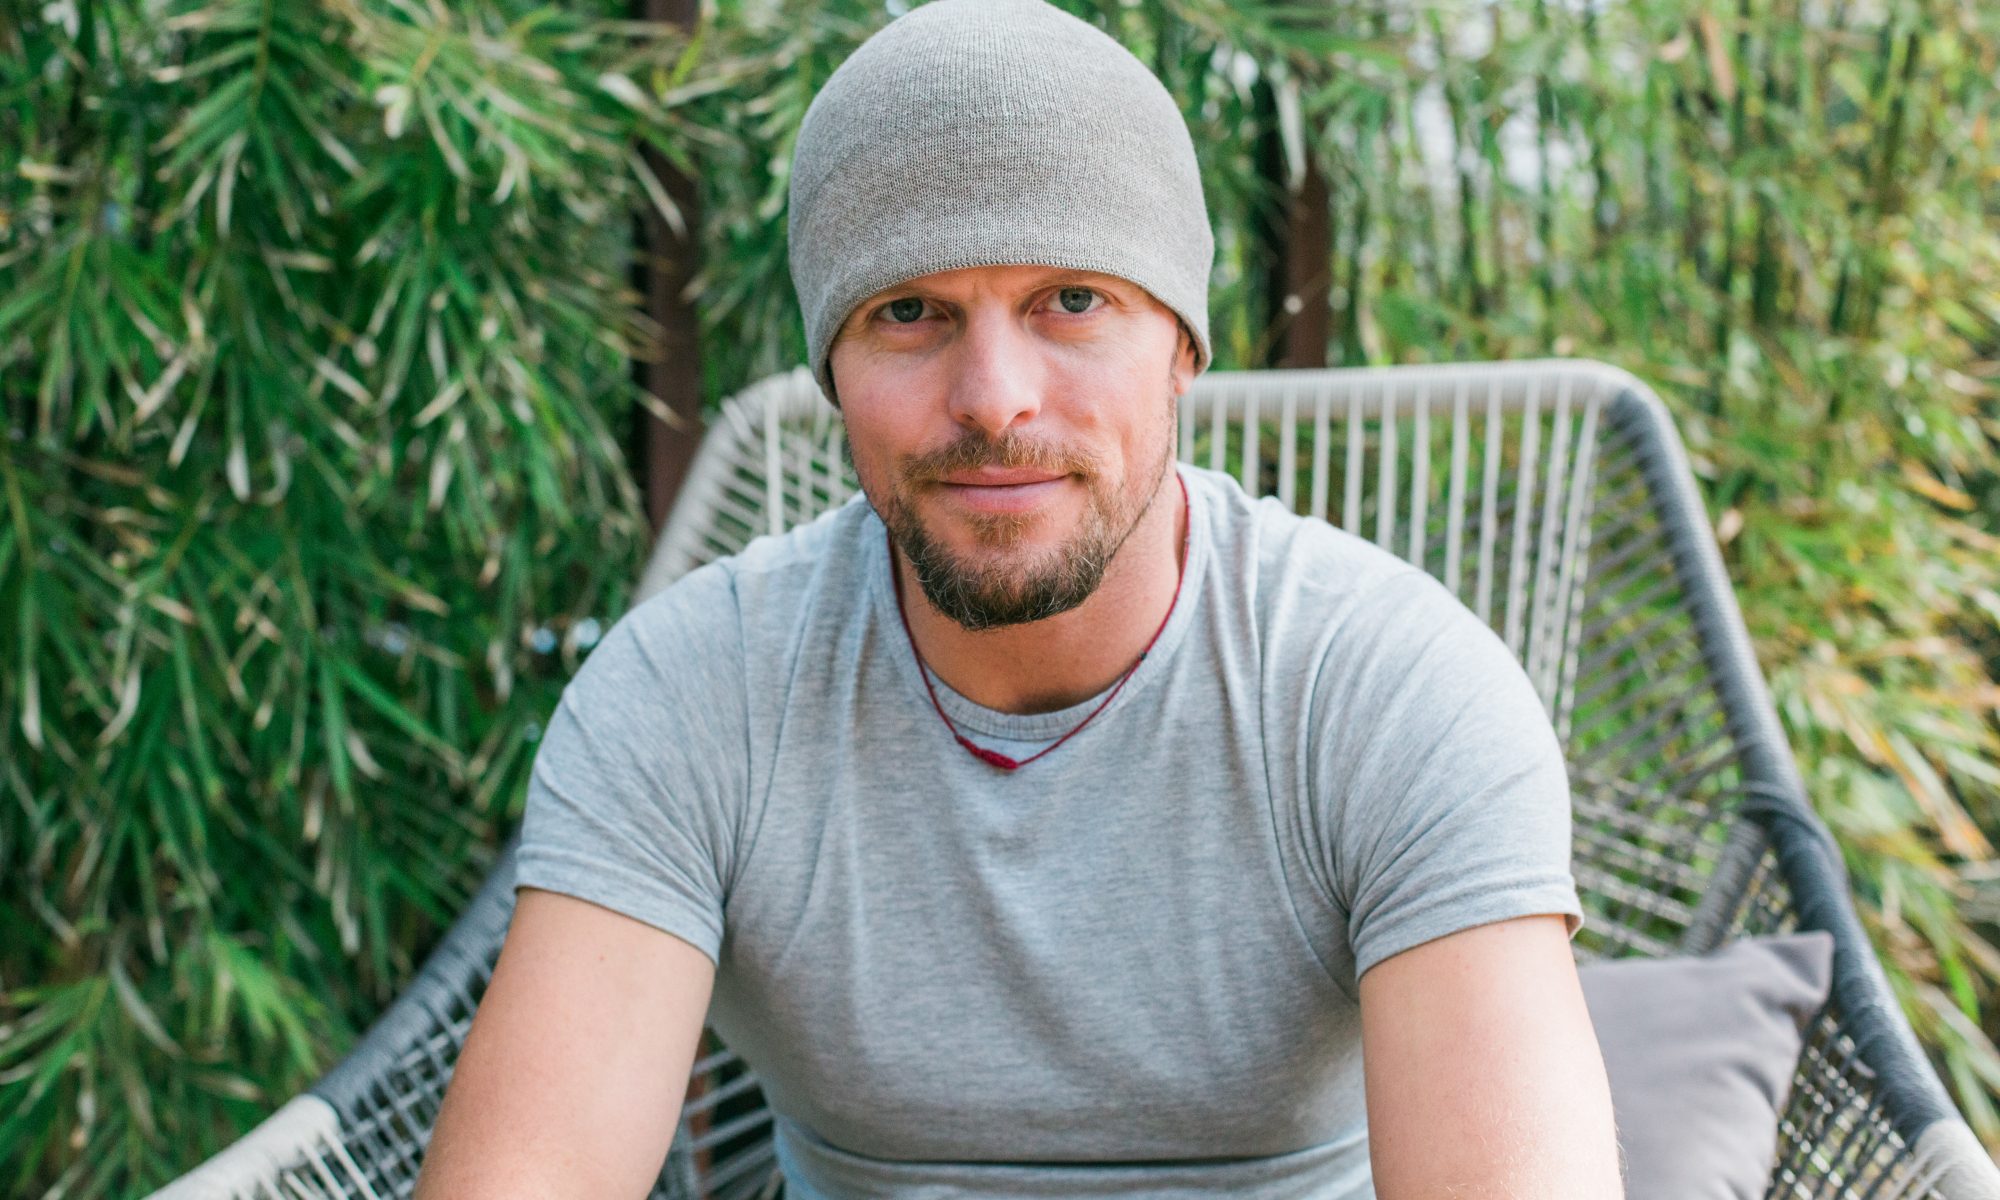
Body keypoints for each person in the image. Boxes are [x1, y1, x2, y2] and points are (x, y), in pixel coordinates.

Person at [414, 1, 1623, 1196]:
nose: (993, 399)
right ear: (829, 367)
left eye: (1073, 300)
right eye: (907, 312)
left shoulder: (1386, 691)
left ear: (1183, 347)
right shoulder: (693, 697)